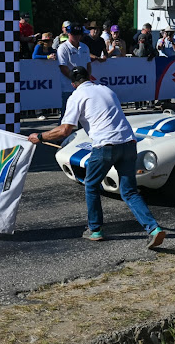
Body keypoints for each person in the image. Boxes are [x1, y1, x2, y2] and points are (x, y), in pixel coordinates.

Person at [28, 66, 166, 247]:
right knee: (130, 192)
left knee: (91, 185)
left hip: (105, 146)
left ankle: (95, 229)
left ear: (73, 84)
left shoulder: (76, 96)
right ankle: (154, 229)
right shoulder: (106, 89)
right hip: (129, 143)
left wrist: (39, 137)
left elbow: (64, 130)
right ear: (90, 77)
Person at [57, 23, 92, 123]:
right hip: (69, 86)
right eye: (74, 34)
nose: (77, 36)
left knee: (85, 114)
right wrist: (76, 80)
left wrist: (86, 79)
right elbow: (63, 67)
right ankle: (61, 137)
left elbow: (88, 64)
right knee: (66, 114)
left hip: (84, 85)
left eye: (79, 34)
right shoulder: (63, 48)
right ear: (68, 34)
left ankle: (84, 135)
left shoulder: (85, 47)